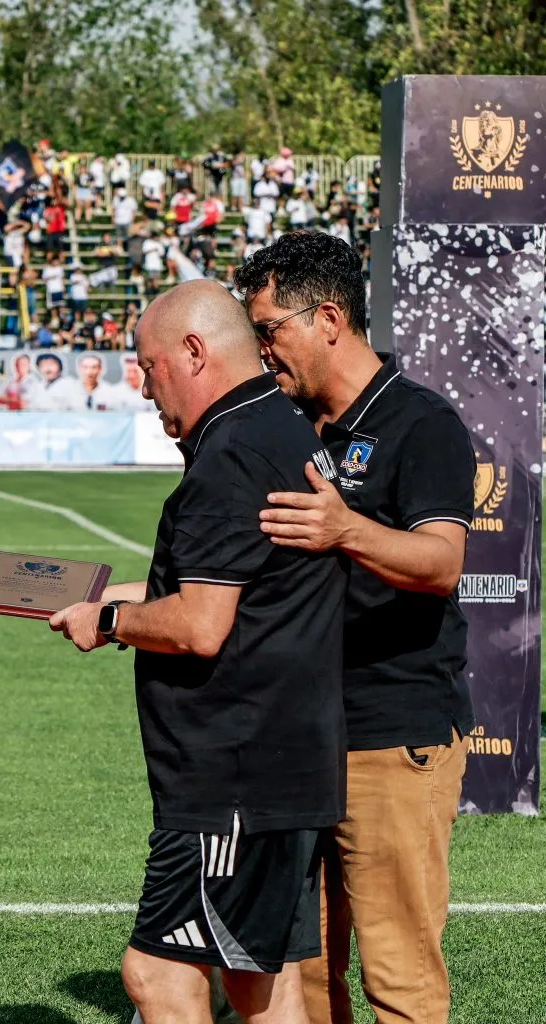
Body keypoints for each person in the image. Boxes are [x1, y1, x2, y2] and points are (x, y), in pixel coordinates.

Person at [43, 280, 348, 1024]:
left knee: (157, 975)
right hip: (283, 760)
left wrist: (112, 621)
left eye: (147, 366)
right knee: (256, 983)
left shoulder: (232, 452)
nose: (140, 386)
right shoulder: (279, 428)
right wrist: (76, 593)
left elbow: (203, 622)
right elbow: (236, 586)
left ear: (193, 350)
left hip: (233, 778)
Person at [234, 231, 473, 1024]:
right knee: (301, 976)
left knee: (400, 980)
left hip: (390, 735)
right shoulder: (286, 426)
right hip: (298, 739)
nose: (262, 351)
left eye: (270, 330)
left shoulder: (421, 423)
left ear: (328, 317)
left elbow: (441, 564)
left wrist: (347, 530)